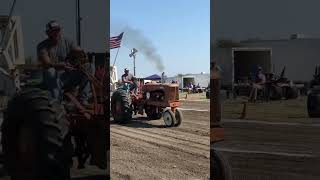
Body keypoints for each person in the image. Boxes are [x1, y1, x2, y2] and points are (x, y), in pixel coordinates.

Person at [37, 20, 92, 104]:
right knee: (50, 71)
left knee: (89, 66)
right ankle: (57, 101)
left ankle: (83, 98)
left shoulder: (68, 42)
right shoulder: (42, 46)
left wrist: (80, 54)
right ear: (48, 33)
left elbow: (79, 51)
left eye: (58, 30)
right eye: (54, 31)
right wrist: (61, 66)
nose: (57, 33)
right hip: (52, 79)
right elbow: (46, 63)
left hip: (69, 76)